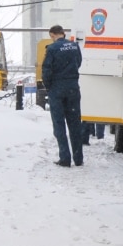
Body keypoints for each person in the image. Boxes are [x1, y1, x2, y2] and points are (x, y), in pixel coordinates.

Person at [41, 25, 84, 167]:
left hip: (57, 89)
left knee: (59, 124)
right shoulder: (74, 46)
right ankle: (78, 158)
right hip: (73, 87)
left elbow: (46, 70)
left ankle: (65, 158)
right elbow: (78, 63)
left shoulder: (52, 49)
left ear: (53, 35)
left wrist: (49, 87)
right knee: (75, 124)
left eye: (51, 36)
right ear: (63, 34)